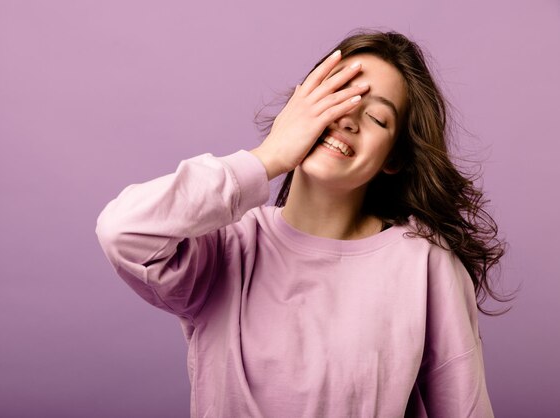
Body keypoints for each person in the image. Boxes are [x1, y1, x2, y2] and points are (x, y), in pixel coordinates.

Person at [95, 30, 508, 417]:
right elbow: (122, 230)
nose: (348, 118)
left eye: (378, 119)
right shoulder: (226, 246)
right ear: (301, 105)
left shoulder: (424, 263)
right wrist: (269, 155)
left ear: (393, 159)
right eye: (337, 96)